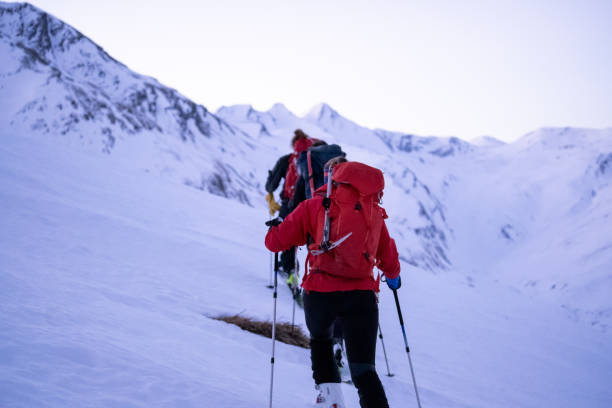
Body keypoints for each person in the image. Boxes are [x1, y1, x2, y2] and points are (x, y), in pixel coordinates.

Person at [265, 159, 401, 408]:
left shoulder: (313, 206)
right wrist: (393, 277)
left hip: (319, 294)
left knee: (321, 341)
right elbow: (388, 256)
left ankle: (331, 401)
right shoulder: (373, 211)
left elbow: (276, 243)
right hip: (362, 297)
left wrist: (274, 229)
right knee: (364, 369)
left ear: (332, 178)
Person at [265, 129, 313, 282]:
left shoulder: (287, 160)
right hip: (312, 207)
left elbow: (271, 184)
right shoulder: (315, 161)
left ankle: (289, 271)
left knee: (287, 237)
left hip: (289, 204)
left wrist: (270, 194)